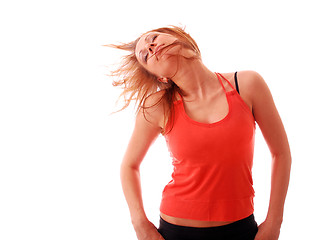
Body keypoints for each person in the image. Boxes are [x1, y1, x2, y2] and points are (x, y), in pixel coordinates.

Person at [107, 26, 291, 240]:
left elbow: (281, 153)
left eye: (153, 38)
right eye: (145, 55)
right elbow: (129, 165)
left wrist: (274, 223)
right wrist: (140, 225)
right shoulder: (157, 106)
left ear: (178, 37)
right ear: (161, 79)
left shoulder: (248, 85)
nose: (151, 46)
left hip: (240, 229)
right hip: (176, 231)